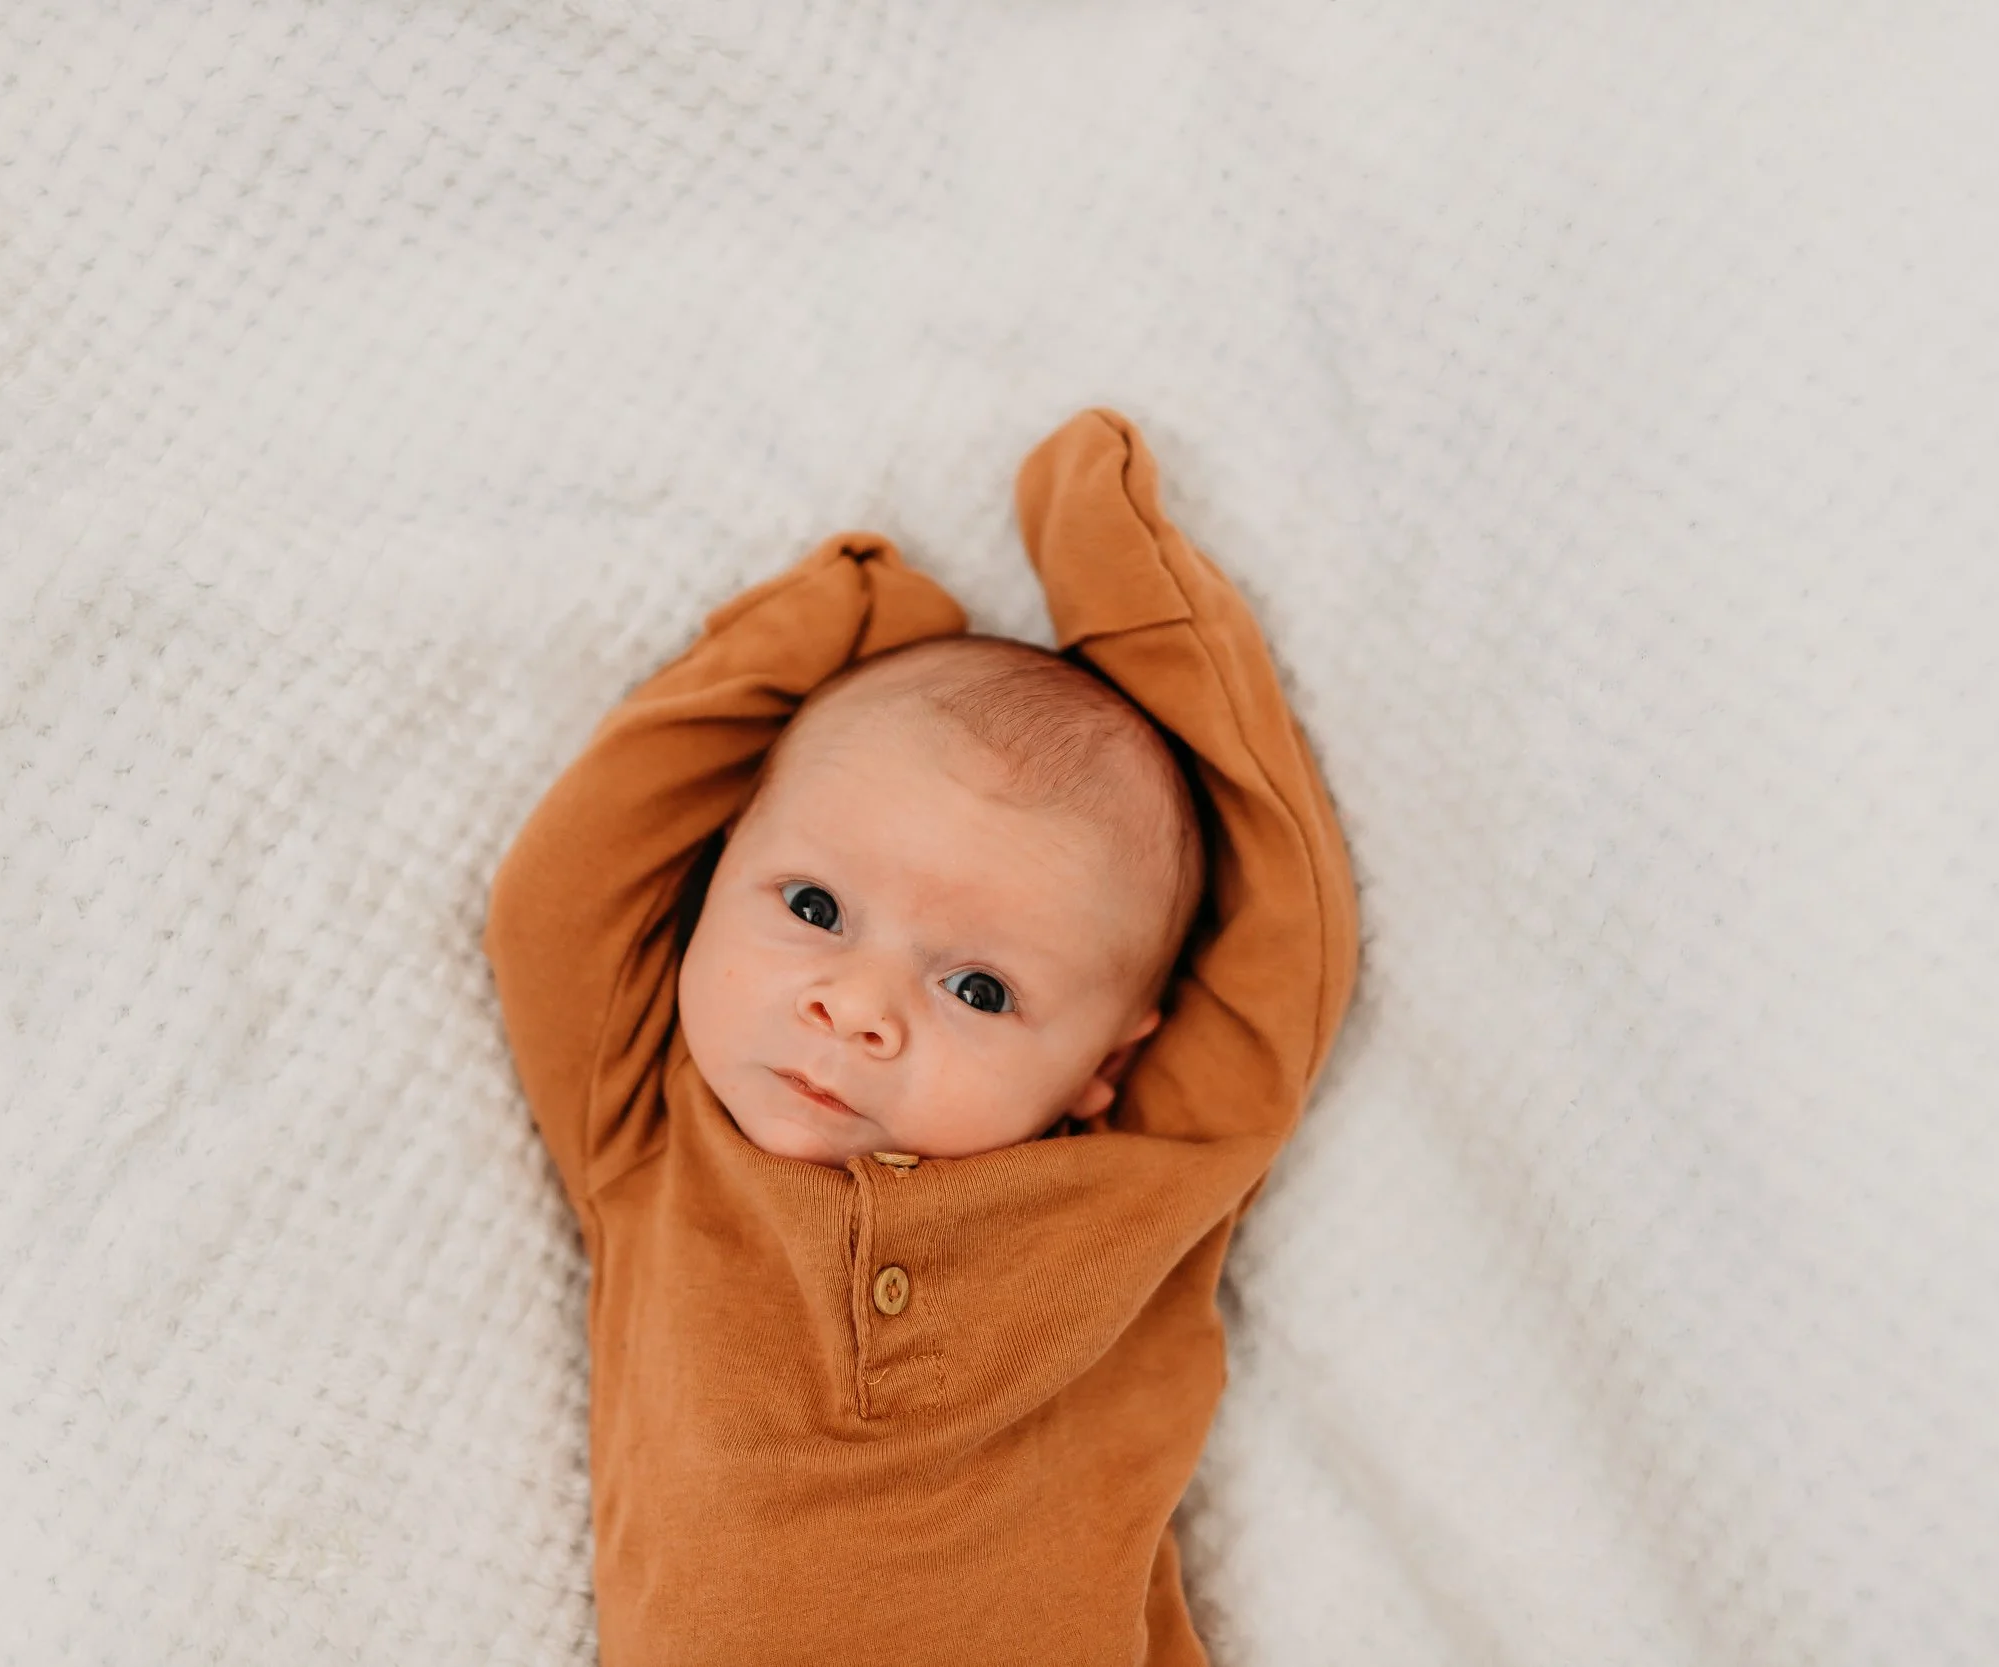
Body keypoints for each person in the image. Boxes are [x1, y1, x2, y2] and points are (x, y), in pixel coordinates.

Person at [485, 408, 1359, 1665]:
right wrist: (830, 619)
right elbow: (558, 897)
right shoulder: (651, 1138)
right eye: (813, 907)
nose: (858, 1006)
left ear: (1106, 1063)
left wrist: (1140, 607)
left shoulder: (1136, 1183)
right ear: (716, 874)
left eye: (979, 989)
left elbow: (1285, 941)